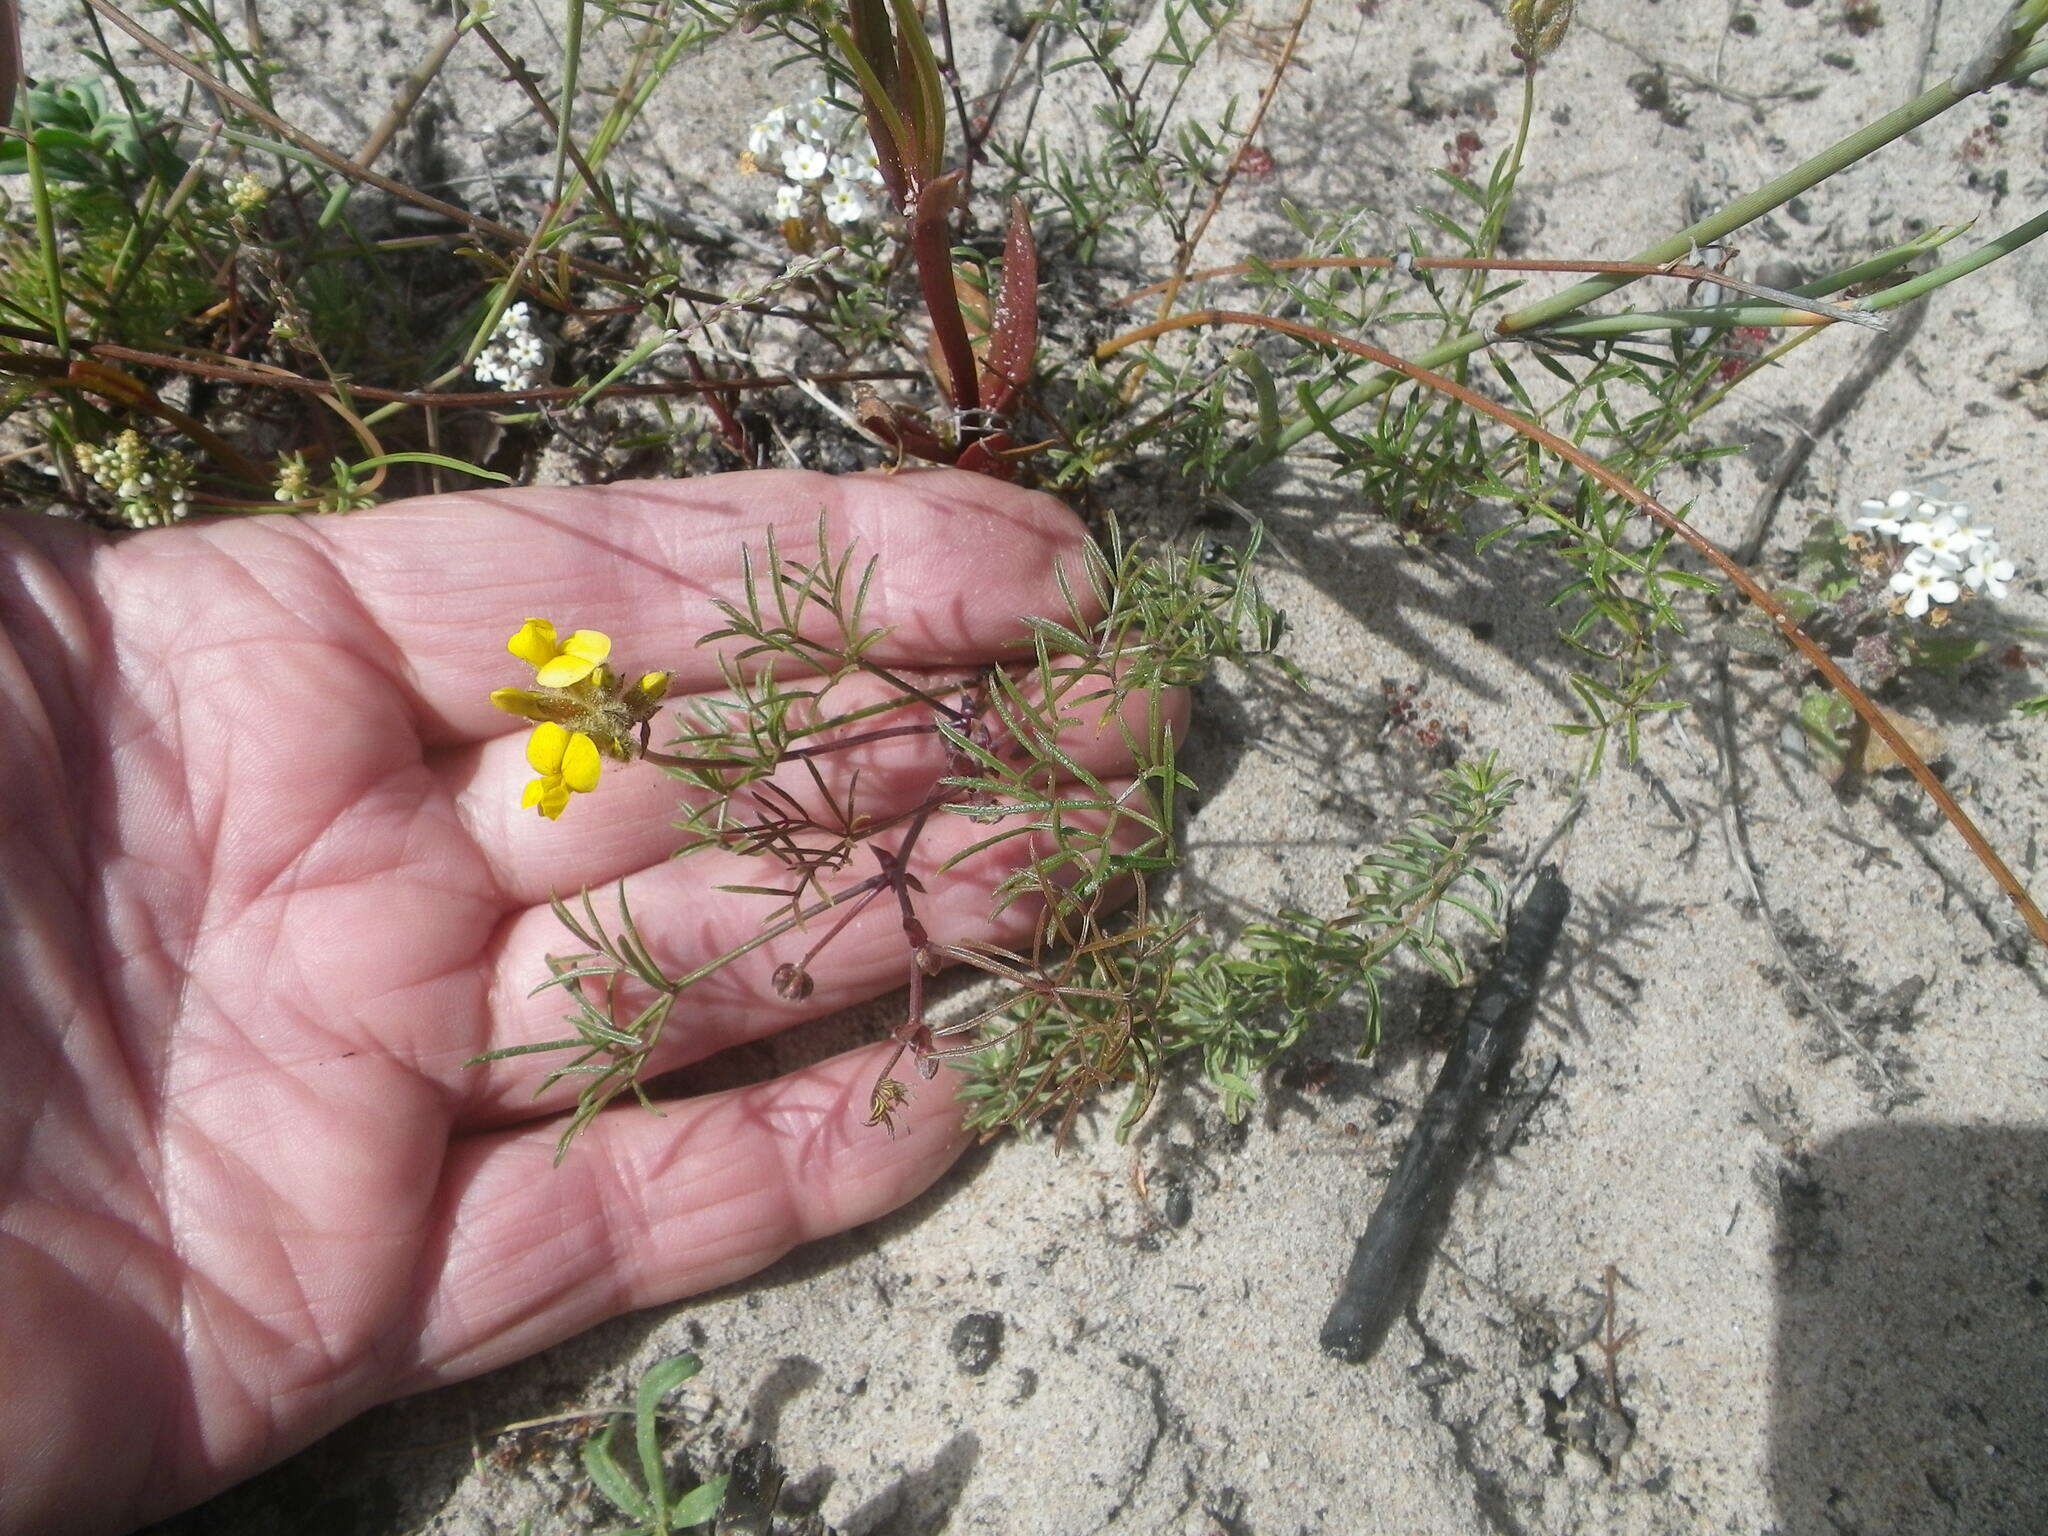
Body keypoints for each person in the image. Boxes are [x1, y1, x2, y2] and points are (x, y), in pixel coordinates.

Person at [0, 466, 1172, 1534]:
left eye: (583, 695)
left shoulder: (586, 701)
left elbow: (591, 690)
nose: (580, 697)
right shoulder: (573, 722)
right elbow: (579, 704)